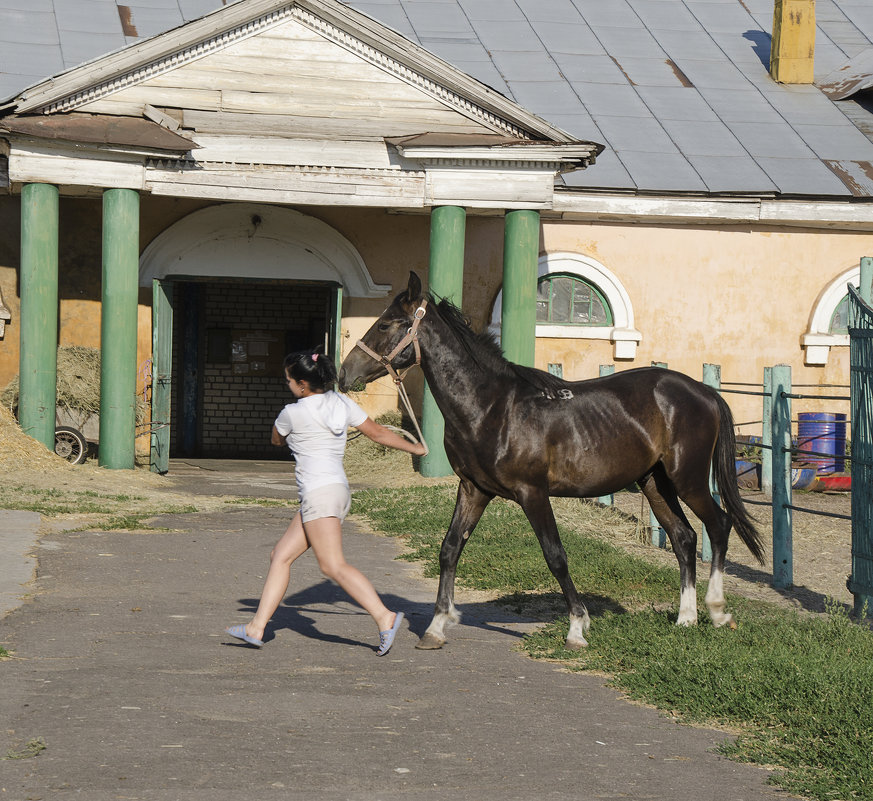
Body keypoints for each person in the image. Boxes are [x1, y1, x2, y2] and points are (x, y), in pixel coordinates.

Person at [225, 350, 426, 656]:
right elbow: (379, 433)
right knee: (280, 555)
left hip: (318, 494)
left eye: (289, 380)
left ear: (302, 384)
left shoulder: (291, 413)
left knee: (332, 565)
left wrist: (289, 435)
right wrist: (415, 448)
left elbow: (276, 440)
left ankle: (385, 617)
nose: (288, 384)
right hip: (334, 491)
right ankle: (256, 628)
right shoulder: (341, 403)